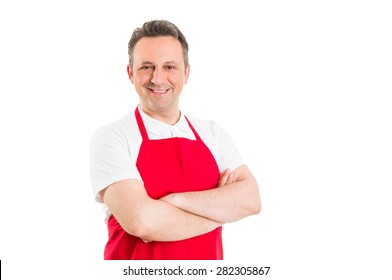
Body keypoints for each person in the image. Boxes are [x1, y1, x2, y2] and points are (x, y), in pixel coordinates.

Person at [89, 19, 261, 260]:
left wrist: (173, 201)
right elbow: (142, 222)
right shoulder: (111, 138)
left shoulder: (213, 133)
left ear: (186, 73)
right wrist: (221, 211)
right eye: (147, 67)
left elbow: (251, 200)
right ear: (130, 73)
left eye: (169, 67)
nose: (157, 79)